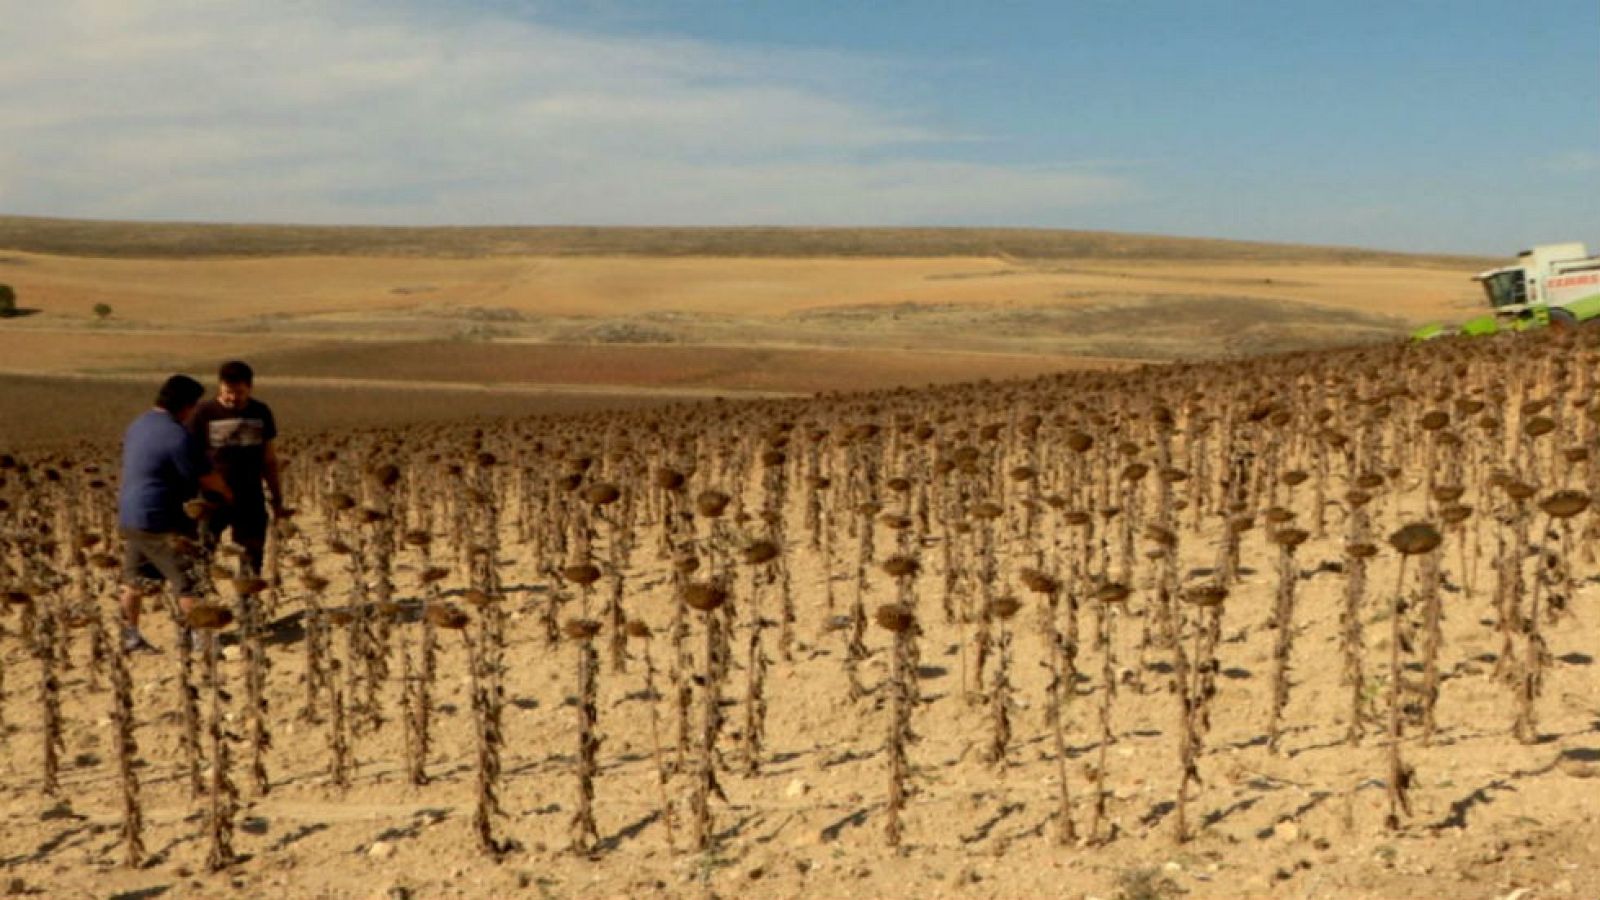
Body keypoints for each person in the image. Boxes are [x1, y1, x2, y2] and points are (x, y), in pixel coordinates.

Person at [117, 374, 233, 653]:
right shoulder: (178, 435)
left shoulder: (138, 425)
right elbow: (206, 478)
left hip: (131, 515)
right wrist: (229, 496)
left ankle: (129, 636)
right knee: (189, 579)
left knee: (134, 580)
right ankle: (199, 639)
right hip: (161, 518)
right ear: (186, 406)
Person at [190, 360, 284, 575]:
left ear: (250, 388)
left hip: (250, 495)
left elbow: (268, 459)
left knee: (251, 554)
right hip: (211, 497)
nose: (233, 398)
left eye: (239, 392)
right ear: (220, 387)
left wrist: (276, 495)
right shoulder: (203, 412)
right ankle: (201, 601)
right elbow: (189, 457)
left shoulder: (261, 412)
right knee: (203, 551)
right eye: (228, 392)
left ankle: (248, 606)